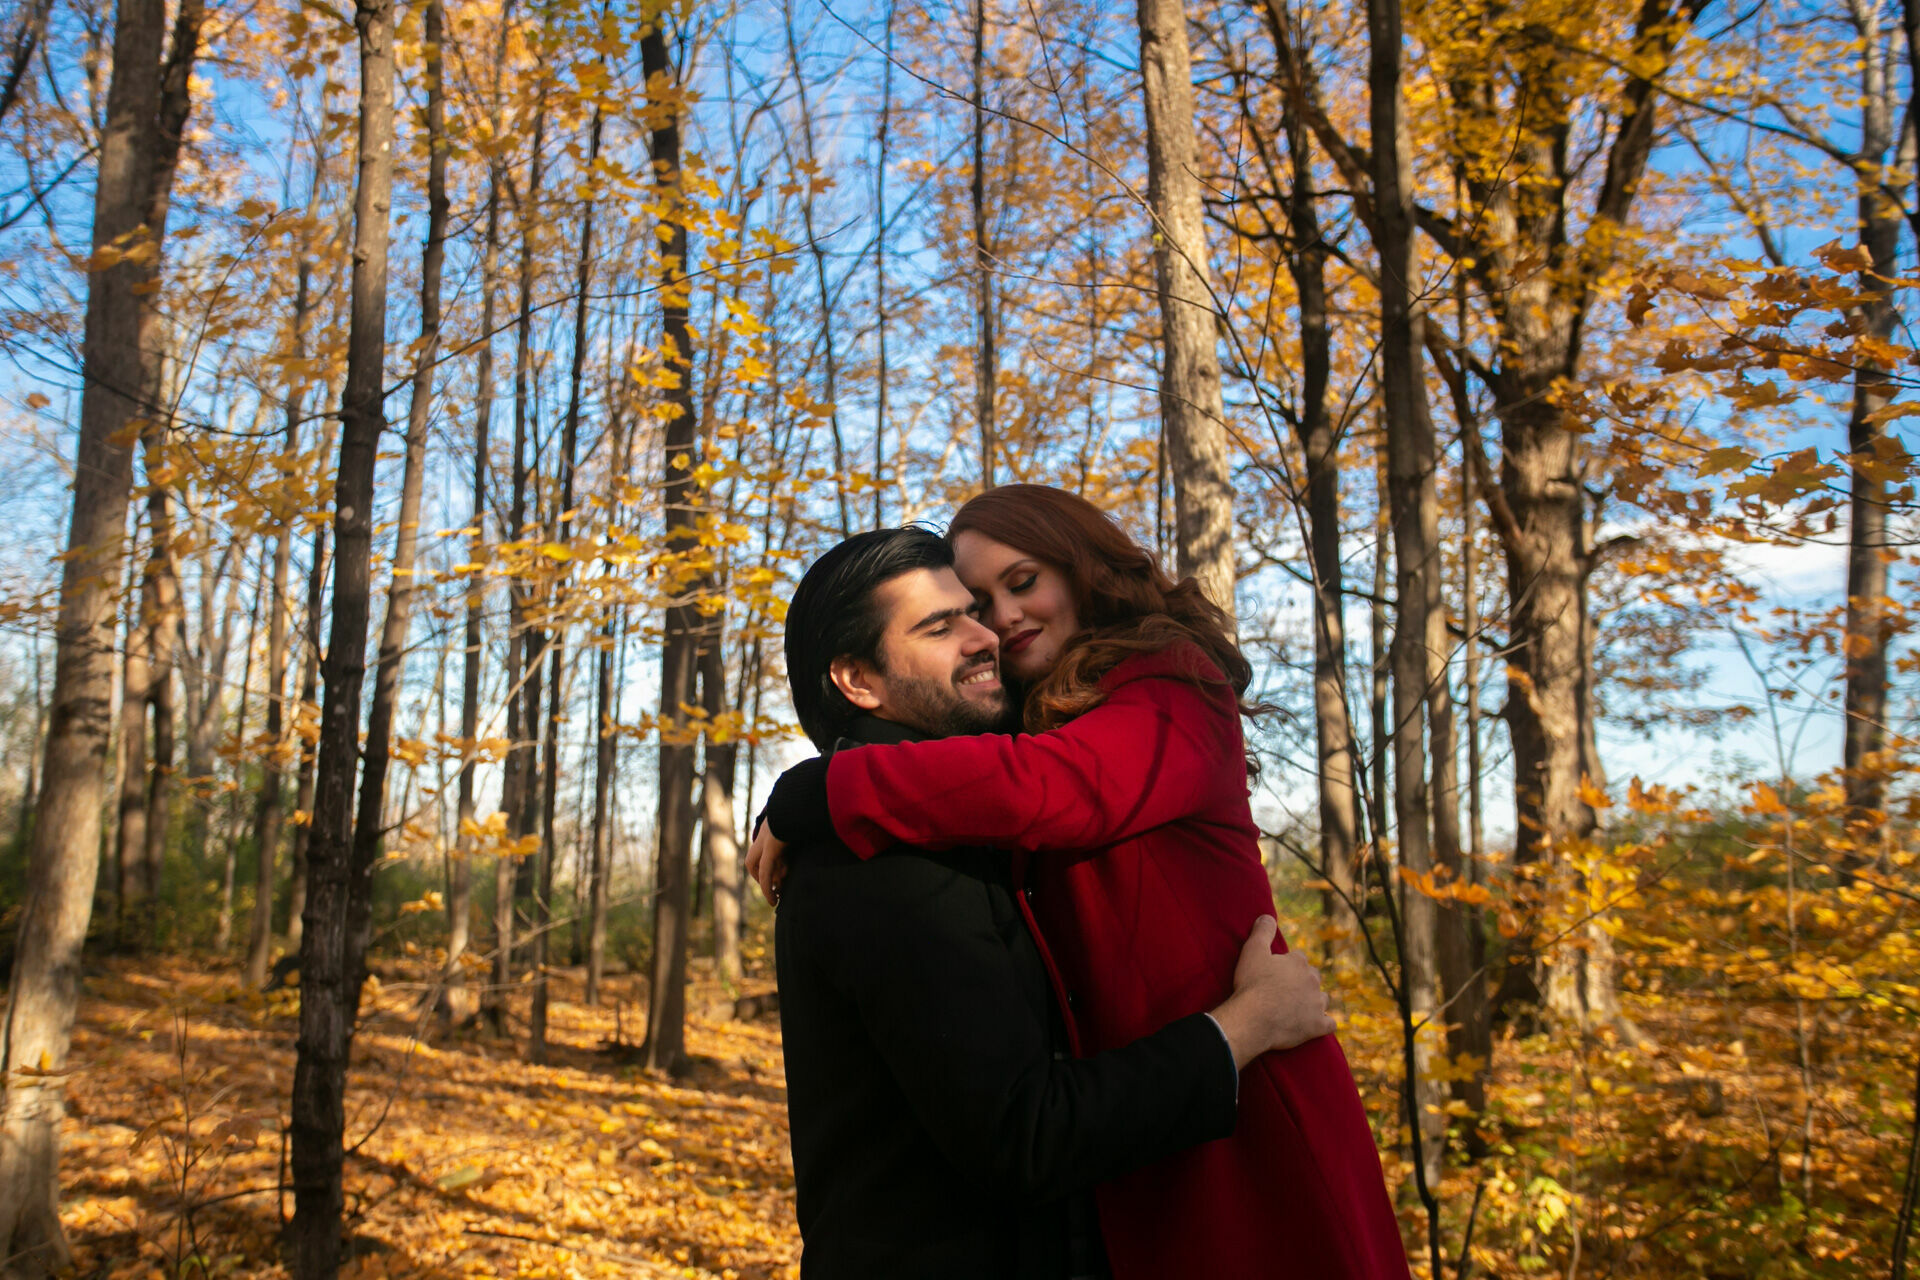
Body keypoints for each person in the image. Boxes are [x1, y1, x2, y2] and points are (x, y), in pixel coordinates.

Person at [753, 486, 1412, 1280]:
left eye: (1021, 583)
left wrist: (814, 792)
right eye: (969, 608)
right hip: (1142, 1122)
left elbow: (1054, 789)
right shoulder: (983, 768)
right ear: (858, 680)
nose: (996, 624)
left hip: (1241, 1109)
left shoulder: (1171, 692)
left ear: (1084, 569)